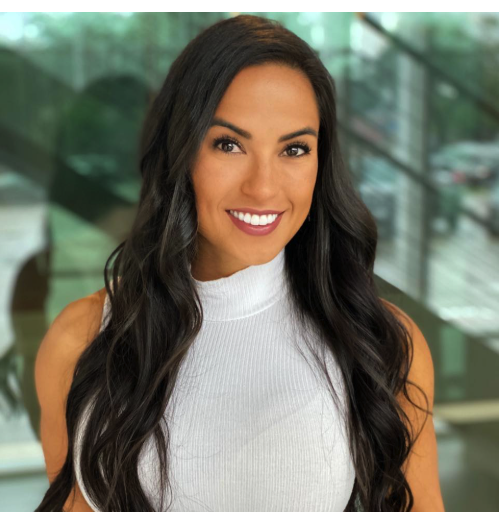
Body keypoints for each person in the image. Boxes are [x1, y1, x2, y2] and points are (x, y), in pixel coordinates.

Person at [34, 14, 445, 512]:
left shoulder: (382, 345)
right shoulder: (82, 339)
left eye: (294, 149)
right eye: (229, 144)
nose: (263, 188)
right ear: (180, 151)